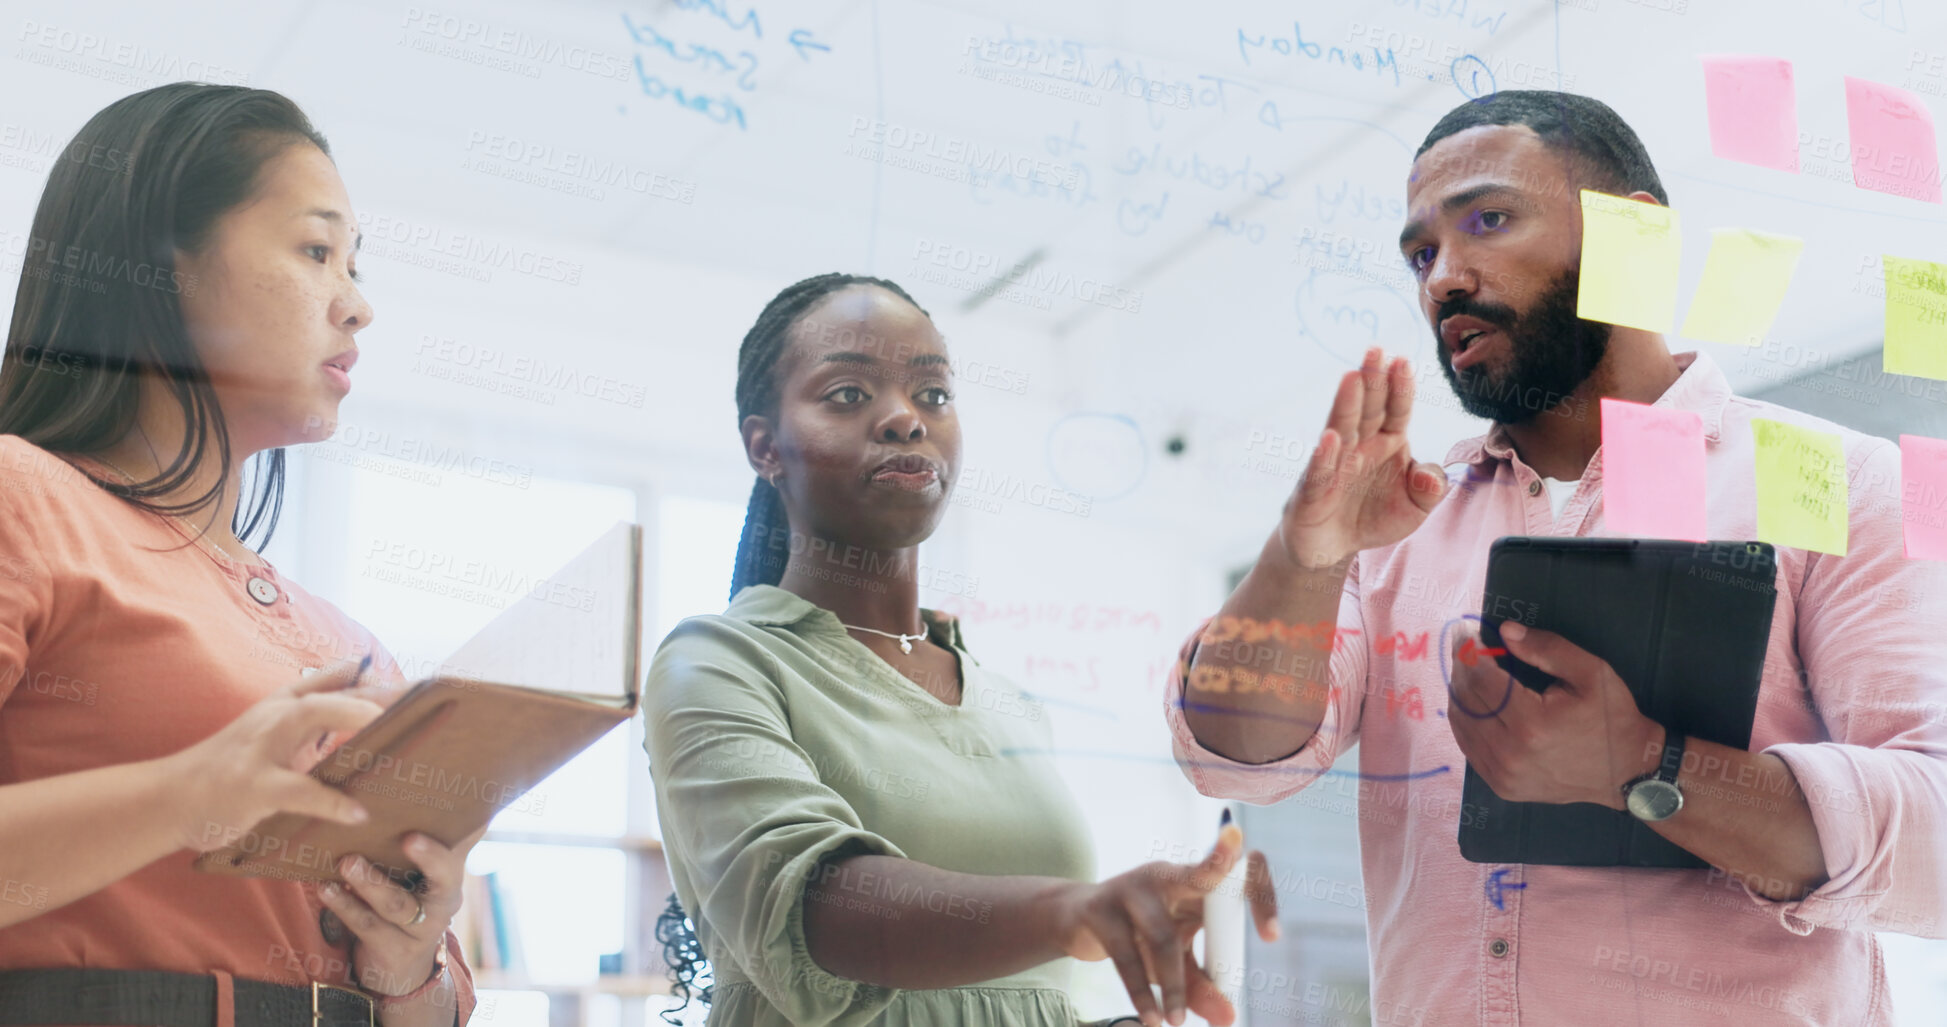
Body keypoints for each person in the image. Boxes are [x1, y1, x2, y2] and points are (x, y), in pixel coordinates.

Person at [1164, 91, 1947, 1025]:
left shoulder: (1847, 484)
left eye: (1486, 220)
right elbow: (1236, 757)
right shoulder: (1392, 528)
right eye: (1420, 254)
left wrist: (1644, 765)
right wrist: (1306, 552)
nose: (1441, 279)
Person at [643, 273, 1278, 1027]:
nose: (904, 419)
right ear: (765, 447)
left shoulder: (1009, 706)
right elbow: (817, 913)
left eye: (933, 394)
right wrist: (1075, 910)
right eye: (847, 393)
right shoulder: (715, 663)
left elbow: (1014, 1000)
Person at [0, 84, 481, 1025]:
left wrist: (407, 960)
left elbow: (434, 1005)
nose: (358, 306)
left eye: (356, 263)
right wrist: (188, 796)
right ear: (160, 267)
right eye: (316, 251)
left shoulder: (350, 642)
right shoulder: (24, 494)